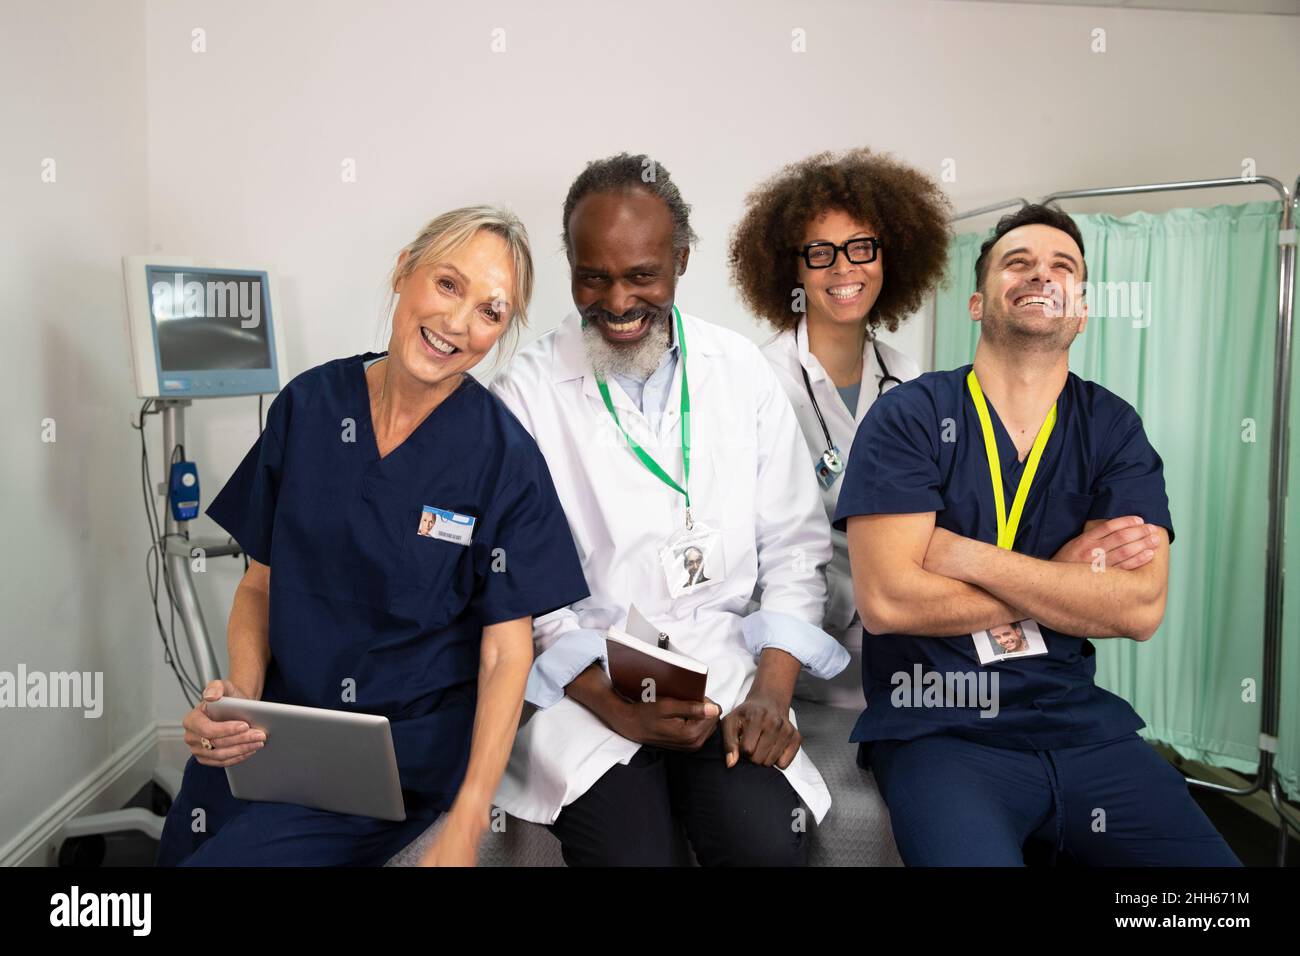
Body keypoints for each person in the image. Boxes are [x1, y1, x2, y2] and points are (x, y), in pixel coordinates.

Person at [155, 206, 590, 867]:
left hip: (393, 757)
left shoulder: (501, 456)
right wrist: (240, 695)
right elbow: (259, 585)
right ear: (403, 271)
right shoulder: (308, 406)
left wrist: (469, 817)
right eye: (448, 285)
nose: (457, 323)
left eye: (490, 312)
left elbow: (508, 654)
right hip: (277, 726)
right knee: (180, 847)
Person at [834, 202, 1240, 866]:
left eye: (1063, 267)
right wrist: (1065, 578)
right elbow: (890, 602)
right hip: (942, 733)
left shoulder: (1111, 427)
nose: (1039, 275)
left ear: (1081, 307)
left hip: (1082, 729)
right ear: (976, 302)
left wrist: (962, 554)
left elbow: (1138, 608)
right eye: (1016, 263)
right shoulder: (909, 417)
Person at [489, 153, 849, 866]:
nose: (617, 302)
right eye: (594, 276)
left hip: (723, 674)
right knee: (633, 855)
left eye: (641, 276)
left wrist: (773, 693)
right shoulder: (523, 394)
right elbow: (520, 584)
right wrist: (609, 700)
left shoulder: (738, 370)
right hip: (589, 680)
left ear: (680, 261)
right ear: (570, 266)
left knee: (767, 846)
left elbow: (794, 547)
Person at [730, 148, 951, 707]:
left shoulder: (911, 381)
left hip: (894, 641)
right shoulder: (754, 379)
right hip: (783, 651)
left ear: (888, 257)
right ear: (793, 269)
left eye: (861, 248)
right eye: (820, 253)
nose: (843, 268)